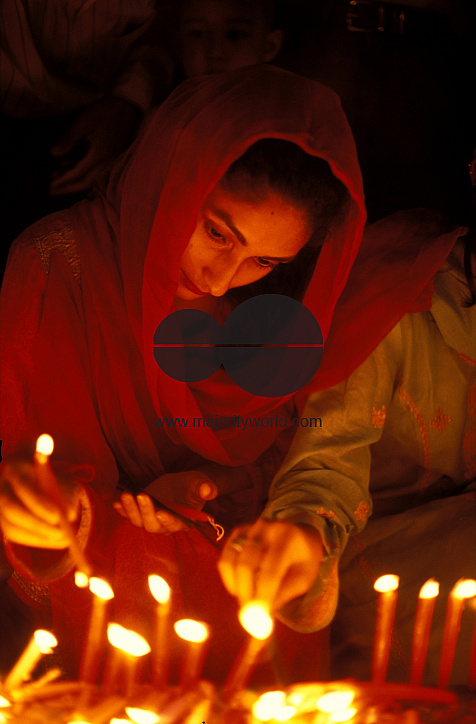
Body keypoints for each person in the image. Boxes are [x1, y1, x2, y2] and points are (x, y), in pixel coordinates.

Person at [0, 65, 459, 683]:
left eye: (263, 260)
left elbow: (286, 453)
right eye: (217, 232)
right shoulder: (58, 262)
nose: (221, 277)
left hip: (229, 563)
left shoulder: (271, 316)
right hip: (100, 577)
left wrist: (207, 485)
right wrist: (69, 506)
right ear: (171, 175)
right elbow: (45, 470)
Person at [173, 0, 284, 79]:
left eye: (235, 35)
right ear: (179, 43)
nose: (215, 52)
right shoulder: (166, 111)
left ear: (269, 46)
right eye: (197, 34)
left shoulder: (287, 108)